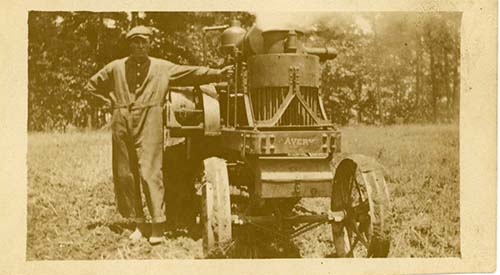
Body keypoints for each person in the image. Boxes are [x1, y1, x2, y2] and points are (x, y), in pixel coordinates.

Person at [85, 25, 232, 244]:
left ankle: (157, 225)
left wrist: (218, 73)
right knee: (126, 173)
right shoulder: (116, 67)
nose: (139, 46)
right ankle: (138, 223)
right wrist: (109, 103)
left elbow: (192, 73)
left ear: (150, 44)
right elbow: (90, 86)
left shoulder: (162, 67)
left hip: (150, 119)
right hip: (121, 121)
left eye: (143, 41)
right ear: (129, 44)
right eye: (134, 41)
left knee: (150, 171)